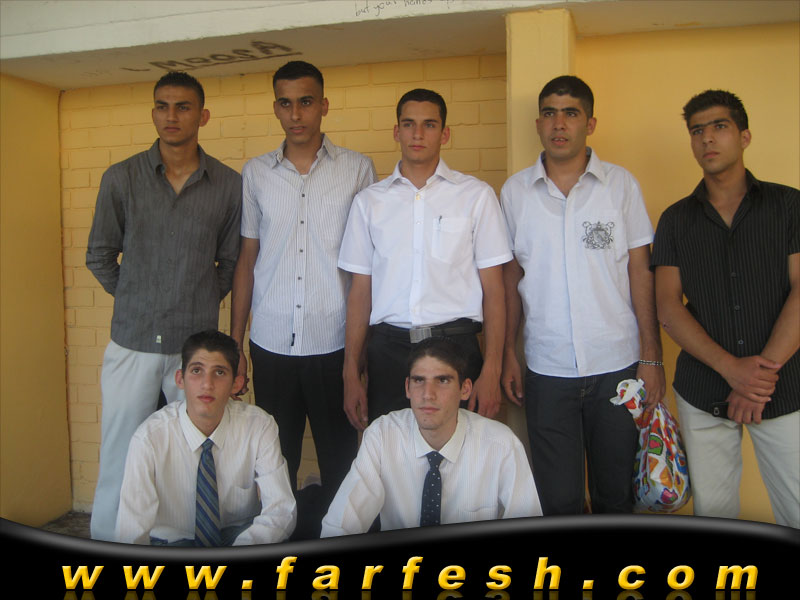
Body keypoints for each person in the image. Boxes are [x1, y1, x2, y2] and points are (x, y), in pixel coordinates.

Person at [86, 71, 242, 541]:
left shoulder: (227, 185)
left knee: (189, 452)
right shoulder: (122, 178)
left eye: (182, 107)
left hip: (192, 350)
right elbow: (99, 255)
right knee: (120, 452)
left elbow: (230, 263)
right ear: (153, 112)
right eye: (162, 106)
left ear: (203, 116)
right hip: (131, 340)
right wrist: (138, 297)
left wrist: (196, 298)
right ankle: (107, 541)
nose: (170, 116)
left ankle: (181, 544)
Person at [500, 75, 665, 516]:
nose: (559, 124)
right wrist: (508, 353)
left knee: (616, 497)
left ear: (589, 124)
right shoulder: (515, 192)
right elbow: (511, 278)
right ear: (538, 123)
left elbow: (641, 271)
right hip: (546, 370)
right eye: (550, 113)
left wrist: (651, 357)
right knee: (558, 501)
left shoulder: (621, 186)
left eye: (571, 113)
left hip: (617, 368)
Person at [230, 61, 376, 522]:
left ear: (324, 106)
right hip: (270, 341)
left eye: (306, 102)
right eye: (286, 103)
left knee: (340, 465)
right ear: (276, 108)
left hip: (333, 341)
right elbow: (248, 258)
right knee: (275, 466)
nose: (296, 114)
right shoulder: (255, 173)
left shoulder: (357, 169)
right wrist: (236, 343)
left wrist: (357, 357)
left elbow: (365, 268)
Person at [652, 89, 799, 528]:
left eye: (720, 126)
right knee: (713, 515)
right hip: (703, 389)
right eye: (697, 130)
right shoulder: (675, 219)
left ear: (744, 136)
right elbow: (667, 306)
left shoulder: (790, 205)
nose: (707, 138)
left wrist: (757, 379)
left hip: (783, 386)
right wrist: (732, 369)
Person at [339, 88, 511, 431]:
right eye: (409, 124)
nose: (418, 134)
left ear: (444, 134)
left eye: (429, 125)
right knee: (391, 451)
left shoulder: (475, 197)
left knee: (462, 453)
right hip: (388, 351)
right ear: (396, 131)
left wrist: (492, 369)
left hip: (457, 347)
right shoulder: (369, 203)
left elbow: (495, 291)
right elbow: (360, 293)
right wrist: (350, 372)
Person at [321, 337, 541, 536]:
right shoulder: (383, 436)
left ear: (465, 389)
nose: (428, 394)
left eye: (442, 380)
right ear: (407, 388)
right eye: (419, 380)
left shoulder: (501, 445)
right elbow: (340, 524)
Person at [115, 330, 296, 545]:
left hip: (240, 538)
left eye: (219, 372)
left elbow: (281, 510)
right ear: (180, 379)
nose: (207, 384)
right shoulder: (149, 438)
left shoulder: (259, 426)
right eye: (196, 371)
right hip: (172, 542)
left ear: (236, 384)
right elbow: (131, 531)